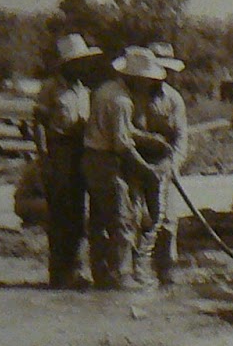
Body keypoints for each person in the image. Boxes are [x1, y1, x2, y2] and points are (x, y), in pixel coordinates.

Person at [82, 47, 167, 292]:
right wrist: (146, 170)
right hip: (105, 161)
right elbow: (123, 145)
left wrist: (150, 139)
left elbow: (123, 130)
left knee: (100, 219)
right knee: (123, 219)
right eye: (148, 80)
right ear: (137, 79)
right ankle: (121, 274)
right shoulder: (121, 101)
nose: (150, 85)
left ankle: (102, 273)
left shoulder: (106, 90)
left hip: (93, 158)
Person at [32, 34, 104, 288]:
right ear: (66, 64)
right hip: (59, 150)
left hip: (80, 150)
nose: (82, 66)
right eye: (77, 62)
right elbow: (38, 124)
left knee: (78, 211)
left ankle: (75, 268)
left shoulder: (84, 90)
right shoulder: (51, 88)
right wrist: (44, 158)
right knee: (60, 212)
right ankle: (59, 272)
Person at [134, 42, 189, 289]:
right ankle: (135, 272)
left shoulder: (174, 99)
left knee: (167, 222)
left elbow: (180, 137)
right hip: (134, 163)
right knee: (136, 219)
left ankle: (166, 272)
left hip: (164, 165)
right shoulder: (132, 97)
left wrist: (173, 165)